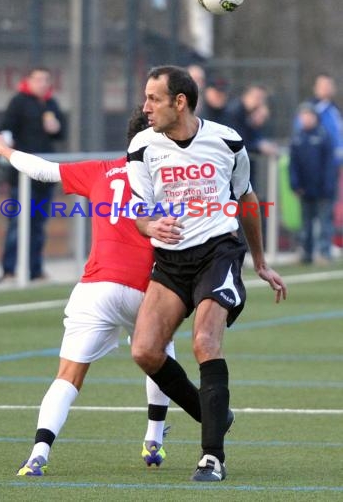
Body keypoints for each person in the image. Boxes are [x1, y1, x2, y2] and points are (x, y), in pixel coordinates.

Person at [0, 107, 175, 476]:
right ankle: (154, 440)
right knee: (161, 354)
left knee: (68, 376)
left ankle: (38, 454)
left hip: (96, 287)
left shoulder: (102, 170)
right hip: (145, 287)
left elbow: (42, 169)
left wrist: (5, 151)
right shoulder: (170, 177)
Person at [126, 65, 287, 483]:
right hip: (171, 261)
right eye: (145, 98)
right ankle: (214, 413)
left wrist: (261, 262)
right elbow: (138, 211)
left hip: (218, 252)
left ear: (180, 102)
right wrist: (150, 226)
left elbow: (246, 199)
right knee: (144, 350)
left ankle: (212, 457)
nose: (145, 107)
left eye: (153, 98)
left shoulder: (227, 140)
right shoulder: (142, 146)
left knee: (204, 341)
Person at [0, 67, 66, 280]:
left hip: (43, 177)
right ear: (29, 81)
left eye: (46, 79)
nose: (42, 83)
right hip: (22, 175)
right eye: (38, 79)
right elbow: (6, 128)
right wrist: (8, 149)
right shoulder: (19, 101)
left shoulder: (51, 103)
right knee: (18, 223)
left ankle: (35, 269)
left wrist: (55, 127)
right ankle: (10, 270)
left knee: (38, 224)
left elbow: (61, 132)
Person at [289, 102, 336, 264]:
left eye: (309, 115)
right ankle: (306, 253)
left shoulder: (324, 136)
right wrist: (295, 184)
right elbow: (293, 164)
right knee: (306, 223)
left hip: (323, 188)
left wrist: (328, 186)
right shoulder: (297, 138)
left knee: (324, 222)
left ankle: (324, 252)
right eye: (303, 116)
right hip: (305, 188)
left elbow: (330, 164)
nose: (306, 119)